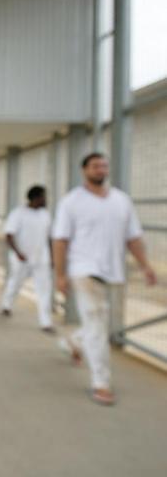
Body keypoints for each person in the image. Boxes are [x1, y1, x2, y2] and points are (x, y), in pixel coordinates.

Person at [52, 152, 157, 406]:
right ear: (84, 170)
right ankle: (101, 383)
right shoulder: (71, 202)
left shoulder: (121, 201)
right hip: (83, 269)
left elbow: (133, 237)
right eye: (95, 166)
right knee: (98, 325)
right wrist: (60, 274)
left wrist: (146, 266)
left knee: (96, 324)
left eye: (104, 165)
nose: (101, 169)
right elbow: (60, 240)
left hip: (111, 271)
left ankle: (73, 342)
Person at [0, 185, 54, 333]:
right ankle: (7, 305)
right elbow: (9, 235)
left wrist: (53, 257)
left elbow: (49, 237)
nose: (46, 200)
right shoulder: (18, 214)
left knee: (44, 290)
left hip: (41, 258)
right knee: (15, 283)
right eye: (43, 196)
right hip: (21, 258)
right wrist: (18, 252)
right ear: (36, 198)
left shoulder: (46, 215)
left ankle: (46, 322)